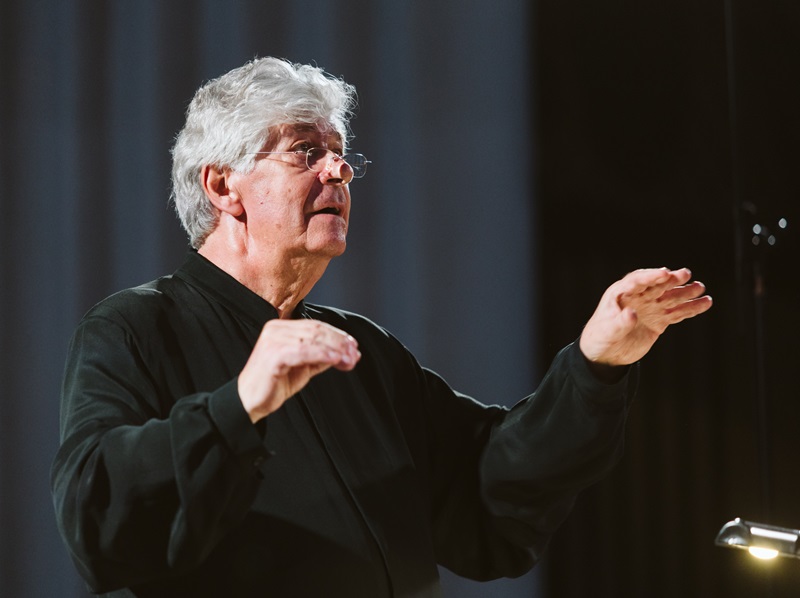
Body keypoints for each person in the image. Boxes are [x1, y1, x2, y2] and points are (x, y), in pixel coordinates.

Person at [51, 57, 712, 597]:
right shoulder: (136, 329)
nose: (339, 170)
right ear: (224, 187)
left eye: (340, 154)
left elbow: (488, 483)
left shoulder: (361, 352)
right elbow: (95, 514)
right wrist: (239, 405)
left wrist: (595, 366)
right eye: (306, 152)